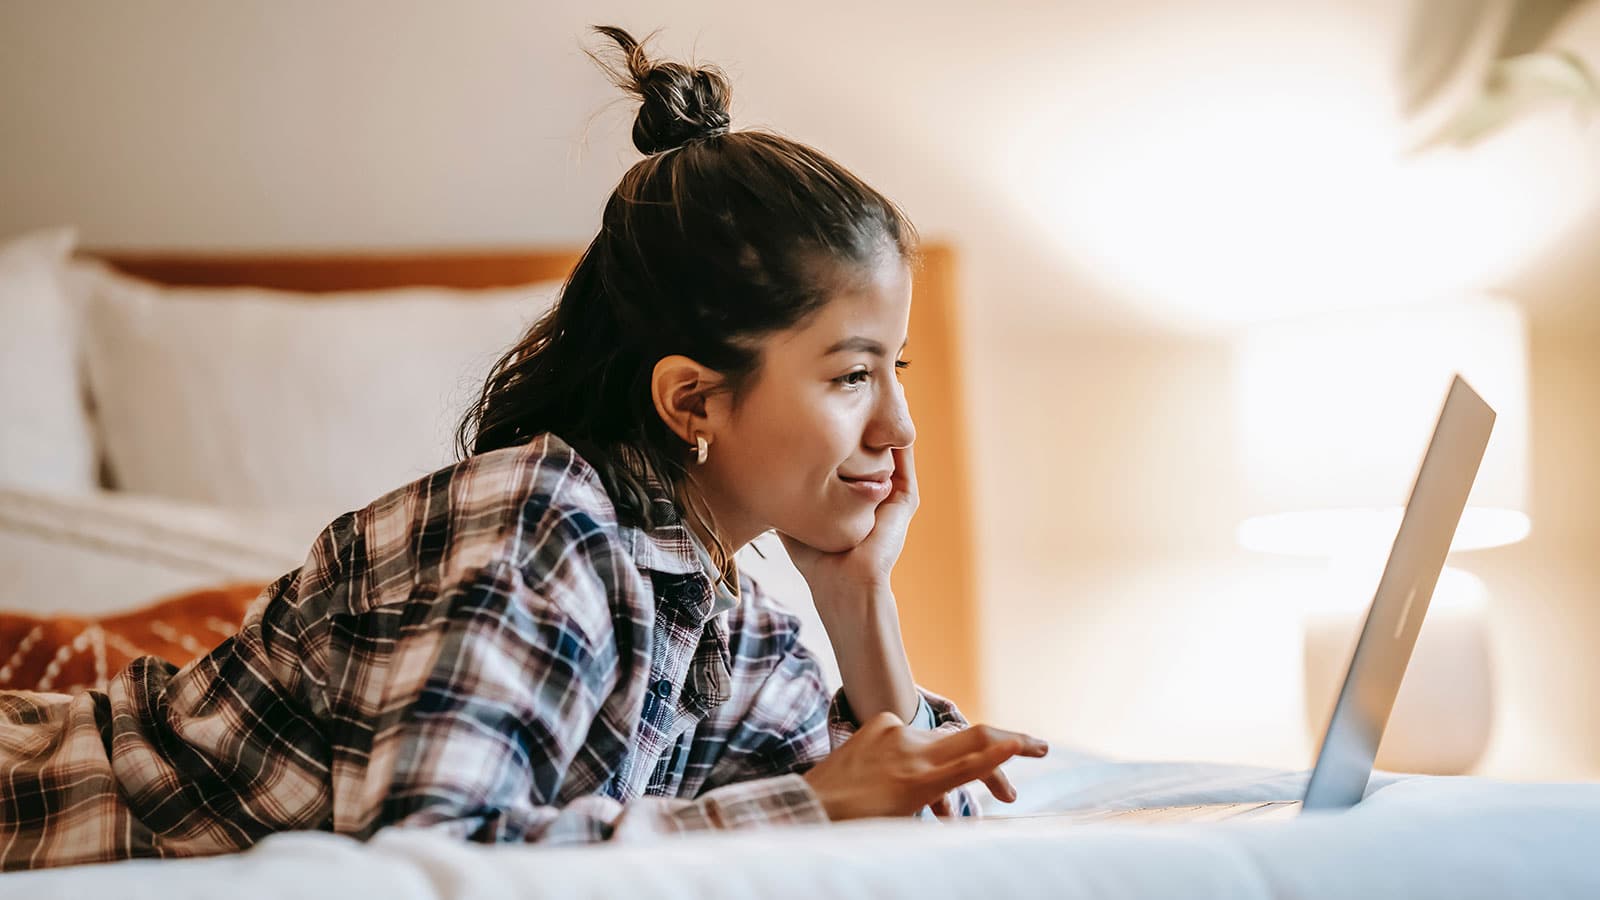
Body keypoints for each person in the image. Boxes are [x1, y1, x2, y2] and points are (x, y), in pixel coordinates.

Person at [0, 25, 1047, 872]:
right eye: (850, 374)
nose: (897, 430)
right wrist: (807, 806)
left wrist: (858, 602)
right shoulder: (535, 527)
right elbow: (433, 853)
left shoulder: (715, 612)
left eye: (895, 370)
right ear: (692, 398)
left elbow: (925, 819)